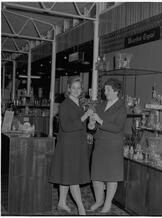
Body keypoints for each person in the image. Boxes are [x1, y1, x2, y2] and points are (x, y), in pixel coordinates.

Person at [49, 76, 92, 215]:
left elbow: (81, 125)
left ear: (81, 90)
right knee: (73, 177)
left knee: (66, 174)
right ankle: (81, 208)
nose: (76, 90)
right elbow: (67, 126)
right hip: (68, 145)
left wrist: (90, 126)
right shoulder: (65, 104)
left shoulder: (80, 104)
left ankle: (61, 202)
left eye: (78, 88)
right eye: (73, 87)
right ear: (68, 89)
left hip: (77, 144)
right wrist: (85, 117)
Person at [89, 78, 127, 213]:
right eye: (105, 90)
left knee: (112, 176)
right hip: (99, 144)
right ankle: (99, 201)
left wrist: (100, 121)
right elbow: (93, 126)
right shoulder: (101, 105)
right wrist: (92, 125)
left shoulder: (121, 107)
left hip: (113, 145)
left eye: (108, 90)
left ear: (116, 92)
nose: (105, 93)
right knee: (96, 175)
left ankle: (107, 203)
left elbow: (118, 127)